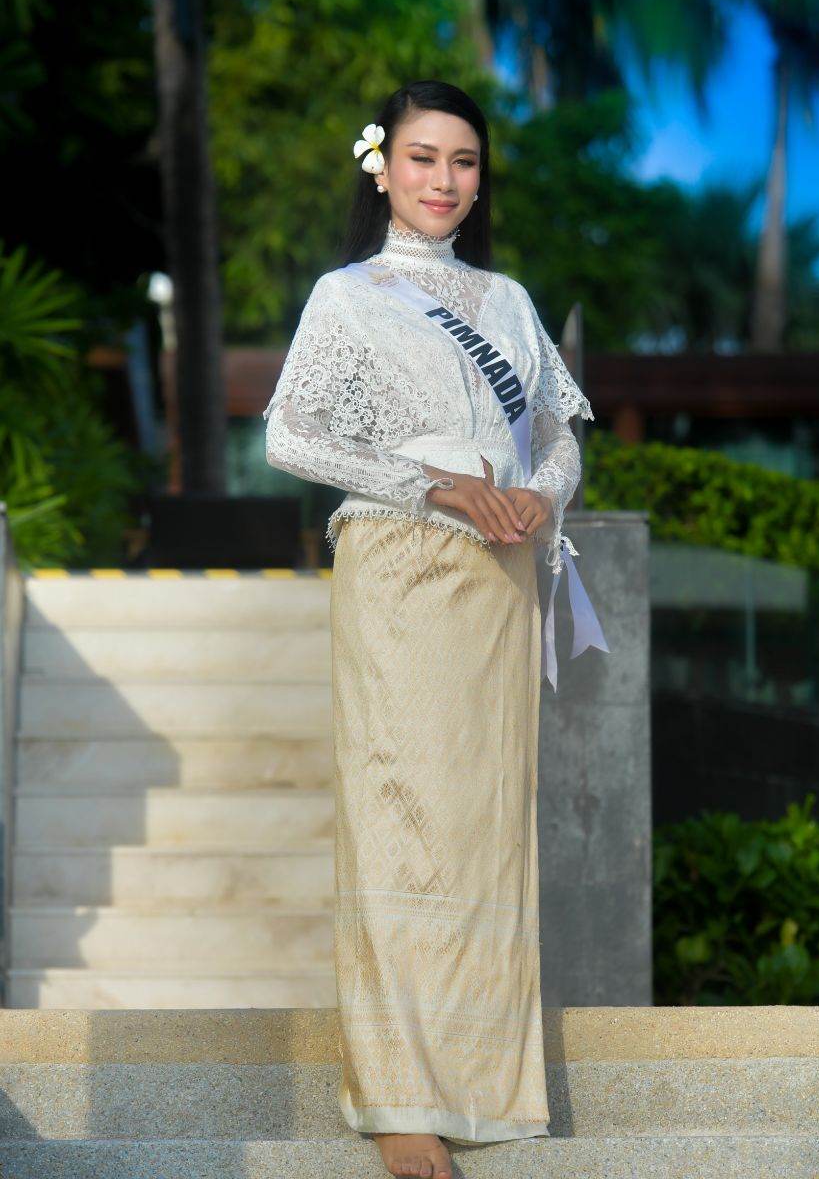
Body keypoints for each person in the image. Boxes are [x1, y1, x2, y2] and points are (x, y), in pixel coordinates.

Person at [263, 79, 595, 1179]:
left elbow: (556, 433)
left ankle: (482, 1083)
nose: (444, 180)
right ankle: (401, 1098)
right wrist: (441, 489)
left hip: (501, 575)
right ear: (383, 168)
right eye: (421, 158)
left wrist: (541, 494)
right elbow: (291, 437)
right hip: (400, 568)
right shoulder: (346, 295)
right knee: (400, 810)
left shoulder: (504, 298)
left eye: (462, 161)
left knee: (485, 822)